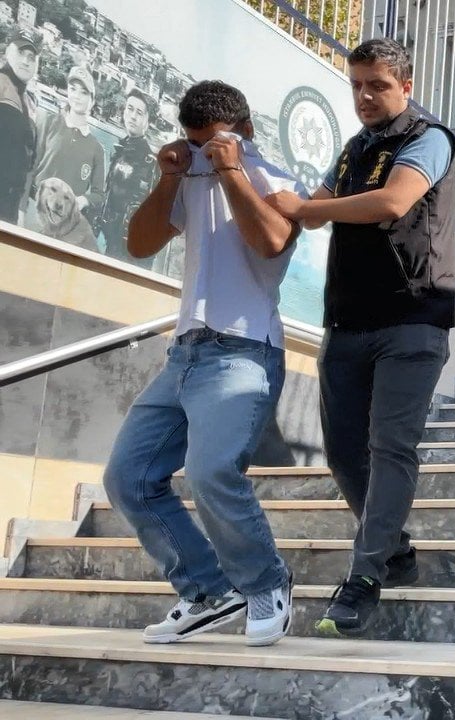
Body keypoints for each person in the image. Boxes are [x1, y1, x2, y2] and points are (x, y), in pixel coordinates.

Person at [265, 38, 455, 638]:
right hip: (347, 322)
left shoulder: (429, 136)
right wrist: (262, 199)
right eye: (357, 85)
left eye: (377, 84)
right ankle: (394, 548)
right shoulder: (352, 151)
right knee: (345, 452)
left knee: (391, 446)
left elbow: (393, 201)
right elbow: (308, 209)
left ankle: (365, 576)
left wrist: (308, 207)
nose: (366, 96)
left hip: (414, 318)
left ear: (406, 86)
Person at [101, 80, 302, 647]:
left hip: (245, 351)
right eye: (195, 142)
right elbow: (139, 243)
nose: (203, 153)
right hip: (184, 353)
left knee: (212, 470)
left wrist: (233, 171)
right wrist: (169, 175)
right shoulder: (187, 176)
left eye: (212, 141)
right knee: (128, 478)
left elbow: (270, 245)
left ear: (244, 132)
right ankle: (206, 590)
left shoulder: (275, 178)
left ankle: (266, 583)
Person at [30, 66, 106, 231]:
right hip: (34, 211)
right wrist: (21, 210)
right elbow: (30, 168)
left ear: (92, 101)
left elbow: (99, 195)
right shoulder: (47, 121)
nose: (77, 96)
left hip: (64, 225)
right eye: (73, 89)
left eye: (84, 92)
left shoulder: (97, 149)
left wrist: (83, 200)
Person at [99, 89, 159, 268]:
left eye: (139, 112)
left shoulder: (151, 163)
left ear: (147, 121)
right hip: (109, 239)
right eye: (129, 109)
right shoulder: (119, 150)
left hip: (130, 249)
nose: (132, 116)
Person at [0, 30, 38, 223]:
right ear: (8, 52)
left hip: (11, 207)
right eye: (21, 53)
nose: (26, 61)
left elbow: (29, 161)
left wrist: (22, 207)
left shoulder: (30, 104)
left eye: (31, 57)